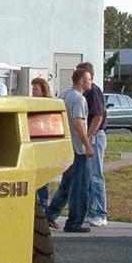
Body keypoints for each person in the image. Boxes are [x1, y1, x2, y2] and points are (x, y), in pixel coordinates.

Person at [45, 68, 92, 233]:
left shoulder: (64, 96)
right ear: (81, 81)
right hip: (78, 149)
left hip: (66, 147)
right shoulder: (79, 99)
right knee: (80, 187)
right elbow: (79, 124)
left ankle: (49, 214)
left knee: (66, 184)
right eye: (89, 79)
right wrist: (87, 145)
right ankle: (74, 222)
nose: (90, 82)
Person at [78, 62, 109, 227]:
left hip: (95, 136)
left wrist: (88, 137)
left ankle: (101, 213)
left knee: (96, 175)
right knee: (89, 176)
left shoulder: (93, 92)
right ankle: (91, 211)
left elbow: (98, 116)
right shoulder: (84, 93)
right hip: (90, 136)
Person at [30, 77, 54, 210]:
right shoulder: (31, 102)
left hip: (44, 143)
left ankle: (44, 207)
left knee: (44, 180)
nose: (33, 91)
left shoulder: (48, 104)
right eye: (32, 88)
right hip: (34, 144)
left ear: (43, 90)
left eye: (36, 89)